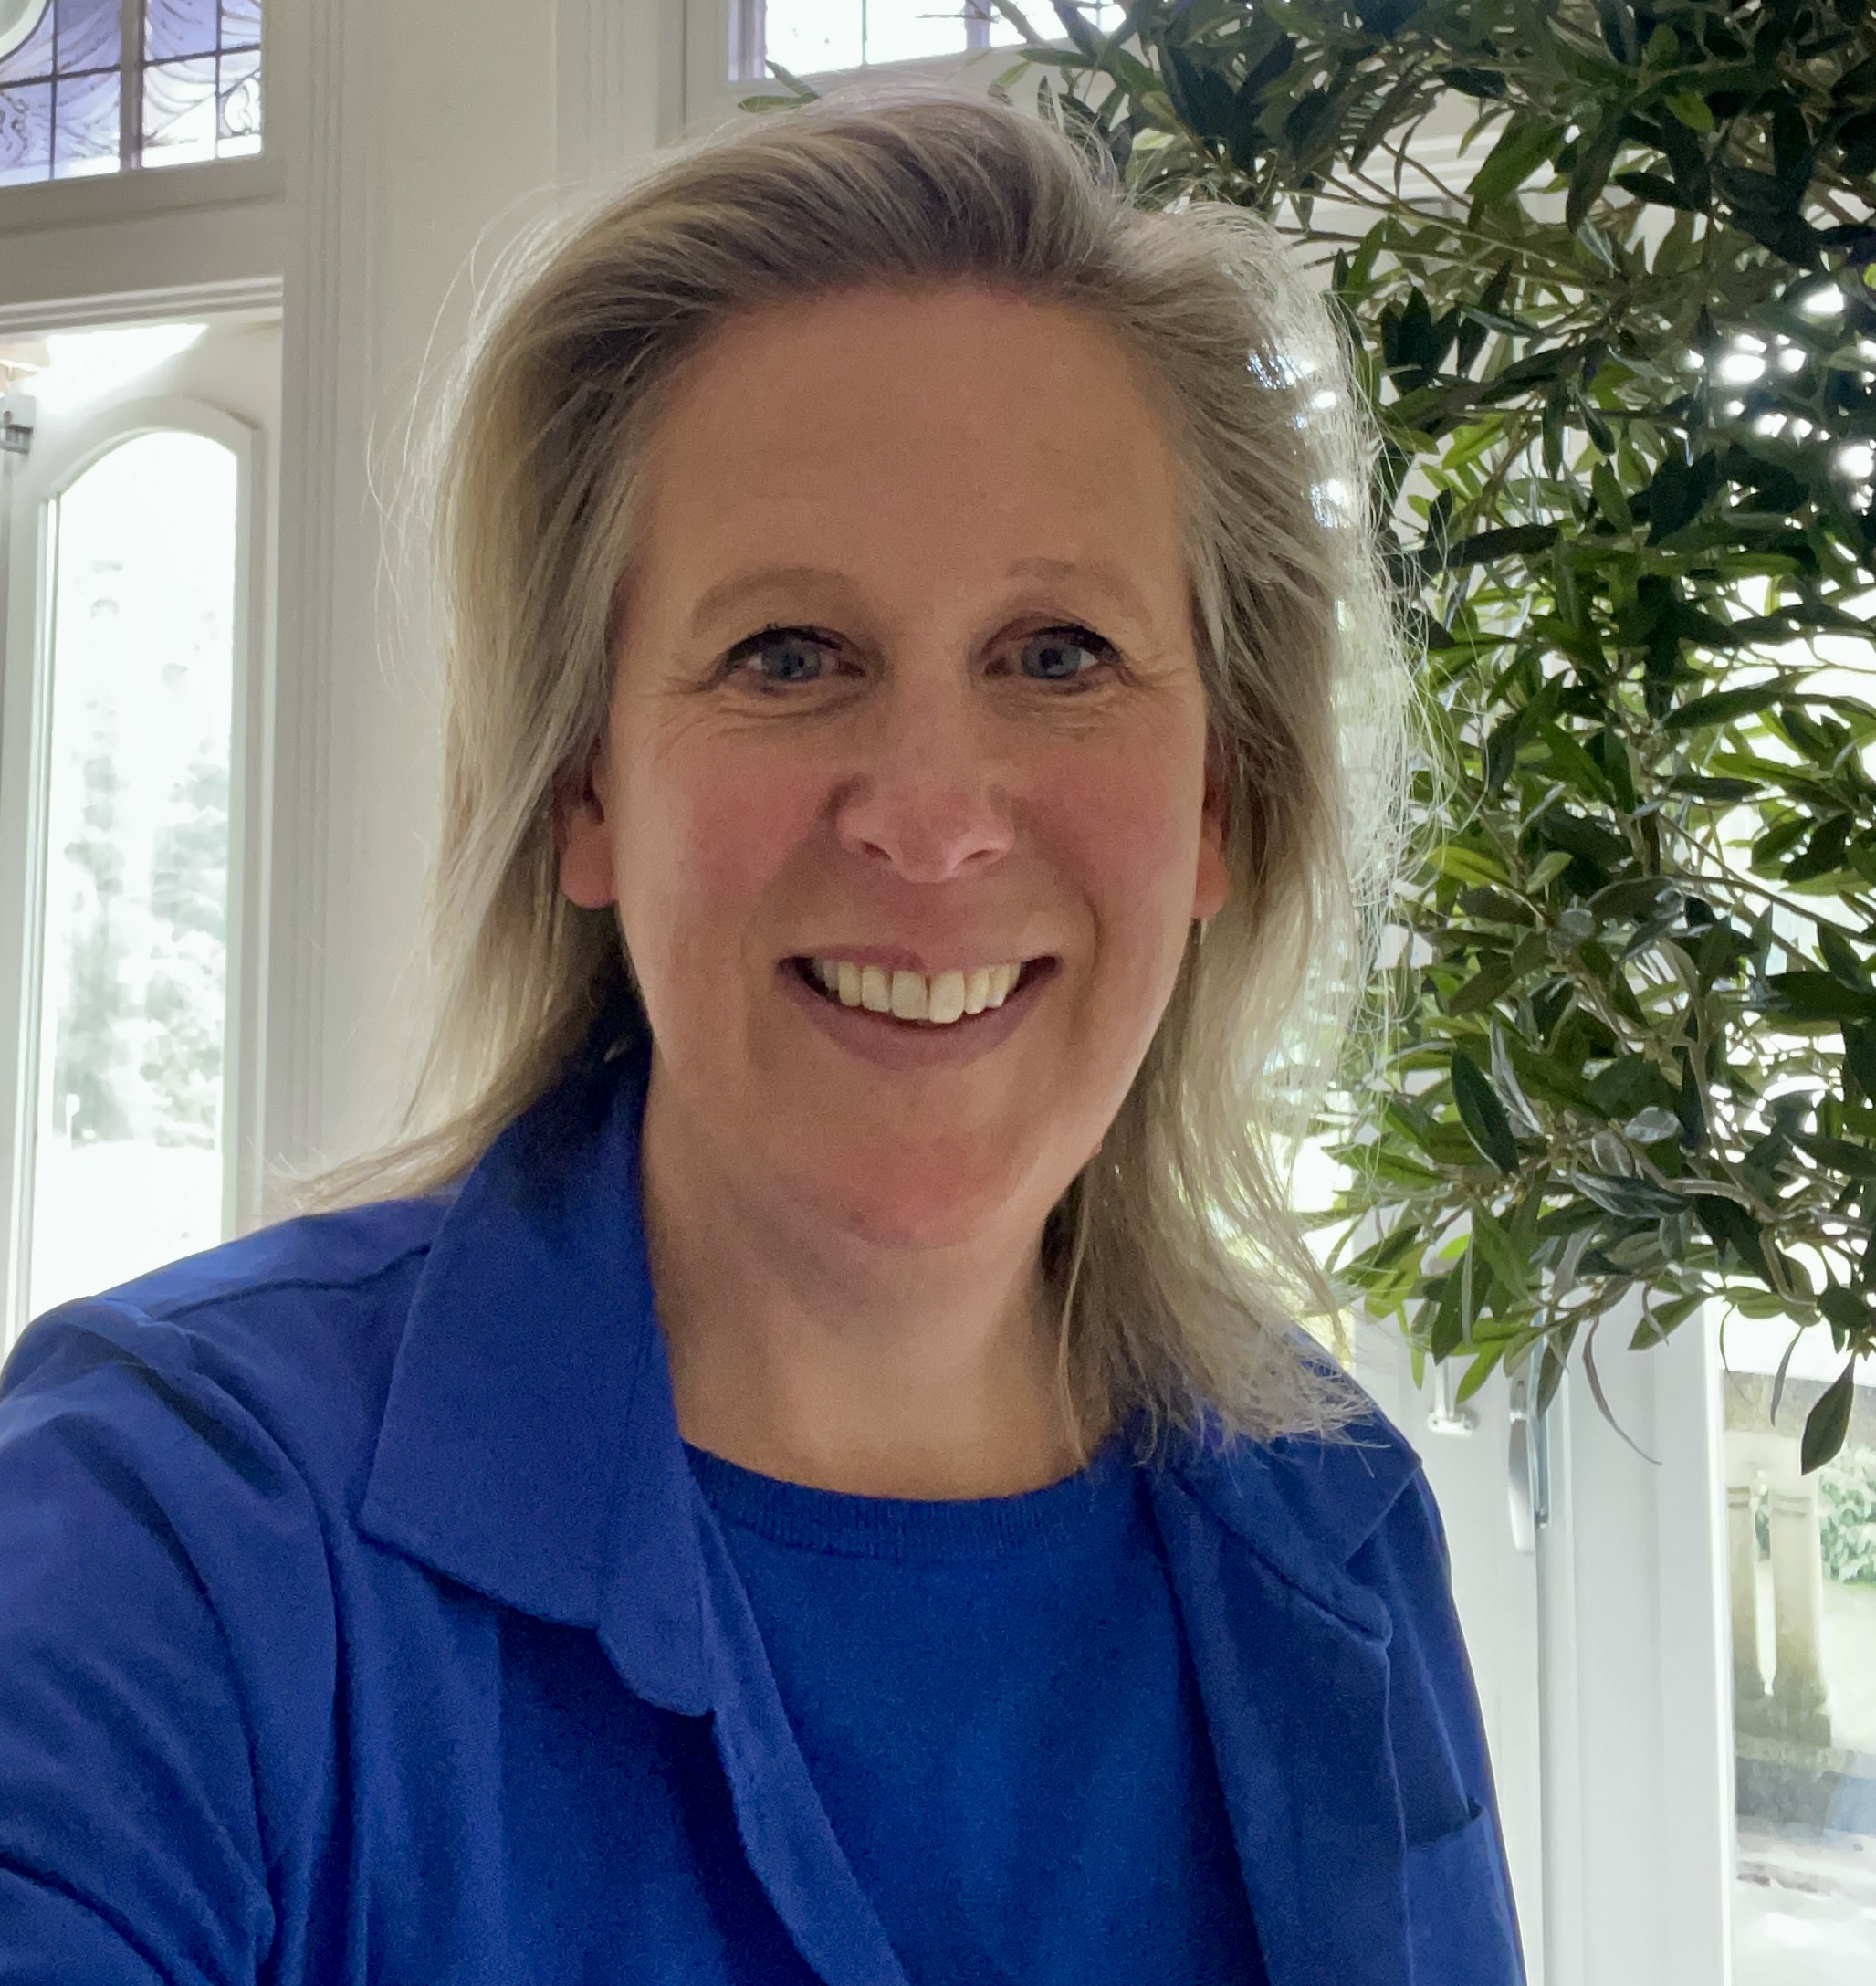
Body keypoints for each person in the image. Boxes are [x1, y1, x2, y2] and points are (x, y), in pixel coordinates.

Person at [0, 98, 1525, 1984]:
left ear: (1219, 797)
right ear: (586, 789)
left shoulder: (1337, 1524)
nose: (930, 817)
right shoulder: (174, 1520)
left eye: (1057, 654)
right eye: (787, 655)